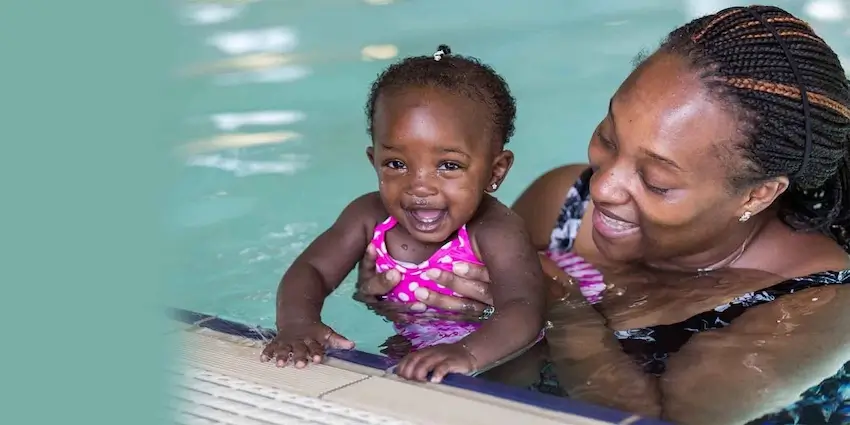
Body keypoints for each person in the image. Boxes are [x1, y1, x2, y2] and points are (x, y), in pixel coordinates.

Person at [354, 6, 850, 425]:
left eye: (656, 181)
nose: (604, 187)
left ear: (758, 194)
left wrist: (563, 309)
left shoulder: (812, 306)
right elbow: (457, 357)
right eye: (609, 138)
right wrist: (411, 293)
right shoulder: (562, 204)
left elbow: (660, 419)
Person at [261, 45, 549, 383]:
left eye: (449, 165)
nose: (419, 186)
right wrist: (298, 323)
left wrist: (467, 354)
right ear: (374, 162)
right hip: (411, 345)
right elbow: (311, 270)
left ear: (495, 171)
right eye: (396, 164)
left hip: (496, 358)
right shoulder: (368, 216)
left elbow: (524, 310)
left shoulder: (496, 230)